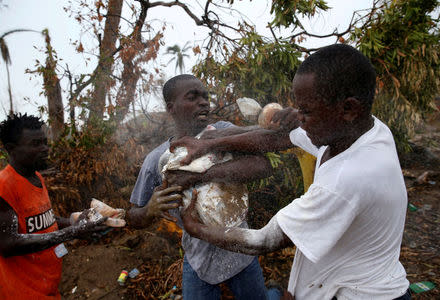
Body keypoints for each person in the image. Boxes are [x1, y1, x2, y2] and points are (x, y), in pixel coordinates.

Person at [178, 44, 411, 299]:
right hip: (349, 280)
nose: (299, 118)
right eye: (298, 109)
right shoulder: (363, 130)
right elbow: (276, 139)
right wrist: (209, 143)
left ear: (348, 109)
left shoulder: (346, 180)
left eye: (306, 111)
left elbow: (263, 240)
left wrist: (194, 228)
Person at [126, 74, 274, 300]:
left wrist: (198, 176)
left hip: (240, 249)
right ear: (171, 108)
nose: (204, 102)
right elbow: (132, 217)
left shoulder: (222, 133)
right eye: (192, 97)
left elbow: (262, 165)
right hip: (198, 259)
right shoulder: (158, 160)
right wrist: (149, 210)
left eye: (205, 97)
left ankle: (275, 293)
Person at [0, 114, 108, 299]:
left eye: (44, 142)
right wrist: (73, 232)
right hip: (21, 293)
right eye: (35, 144)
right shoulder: (4, 185)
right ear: (11, 149)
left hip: (48, 288)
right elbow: (8, 243)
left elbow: (45, 220)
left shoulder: (36, 178)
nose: (45, 149)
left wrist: (76, 221)